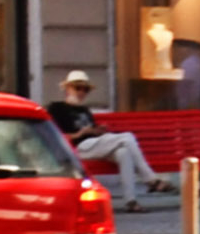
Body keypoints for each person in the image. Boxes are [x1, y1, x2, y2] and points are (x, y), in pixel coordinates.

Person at [45, 73, 170, 211]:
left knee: (124, 152)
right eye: (78, 88)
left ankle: (131, 201)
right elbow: (55, 136)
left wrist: (97, 131)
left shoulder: (85, 110)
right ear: (67, 88)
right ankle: (151, 179)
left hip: (94, 145)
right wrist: (81, 133)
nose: (81, 92)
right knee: (127, 137)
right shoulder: (57, 108)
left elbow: (92, 133)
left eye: (85, 89)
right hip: (77, 148)